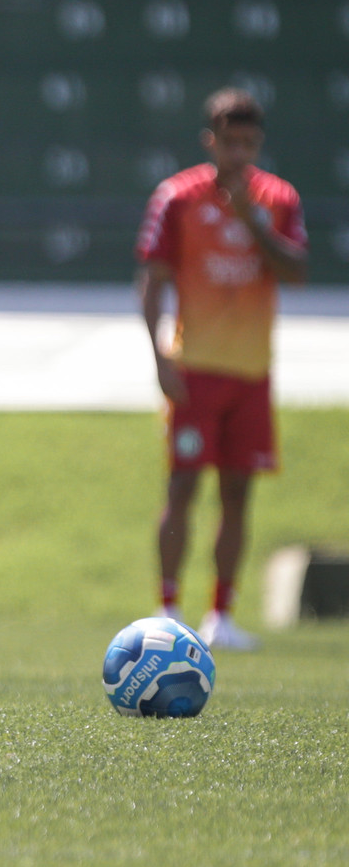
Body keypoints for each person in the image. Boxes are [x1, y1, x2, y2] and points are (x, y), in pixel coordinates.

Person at [138, 88, 306, 651]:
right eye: (229, 141)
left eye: (248, 143)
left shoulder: (278, 199)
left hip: (251, 373)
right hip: (195, 369)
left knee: (237, 492)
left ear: (259, 144)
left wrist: (253, 221)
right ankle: (167, 608)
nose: (238, 153)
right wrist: (159, 356)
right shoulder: (177, 197)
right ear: (210, 141)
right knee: (183, 485)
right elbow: (153, 278)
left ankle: (221, 616)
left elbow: (297, 272)